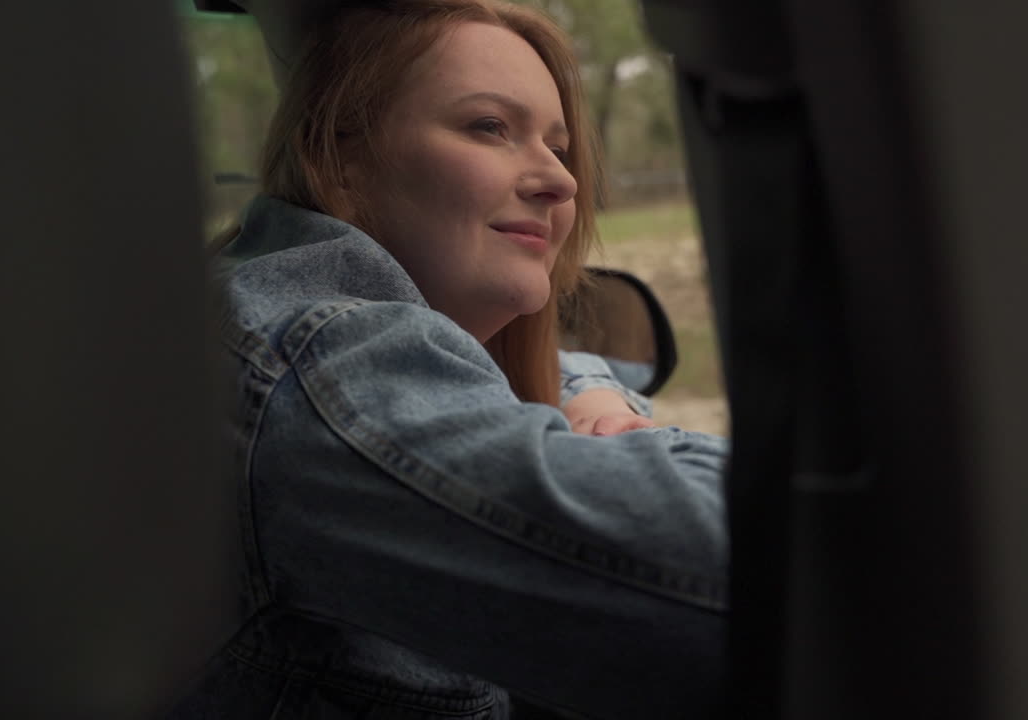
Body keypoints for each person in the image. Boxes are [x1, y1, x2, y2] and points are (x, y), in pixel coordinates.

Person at [172, 1, 728, 718]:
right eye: (490, 127)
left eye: (558, 146)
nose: (560, 180)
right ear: (341, 159)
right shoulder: (321, 366)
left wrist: (589, 394)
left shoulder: (289, 317)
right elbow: (717, 574)